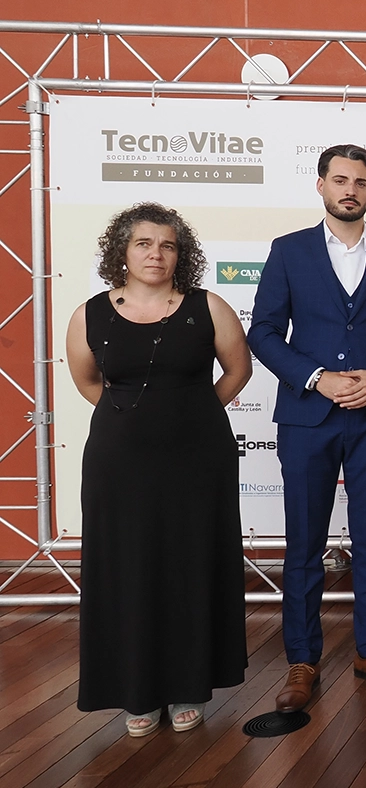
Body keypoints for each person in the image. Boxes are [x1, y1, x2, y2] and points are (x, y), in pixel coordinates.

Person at [249, 145, 366, 713]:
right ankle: (302, 661)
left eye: (360, 181)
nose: (349, 189)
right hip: (308, 418)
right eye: (339, 179)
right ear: (321, 186)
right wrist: (316, 379)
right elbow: (262, 332)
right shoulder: (288, 251)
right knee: (303, 543)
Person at [66, 203, 251, 736]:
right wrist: (135, 421)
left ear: (180, 254)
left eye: (167, 245)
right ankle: (137, 692)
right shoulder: (90, 313)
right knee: (128, 571)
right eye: (144, 244)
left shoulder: (207, 306)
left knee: (191, 567)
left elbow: (238, 370)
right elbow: (88, 382)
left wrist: (192, 414)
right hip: (118, 465)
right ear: (121, 251)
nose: (156, 254)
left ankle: (189, 687)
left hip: (198, 462)